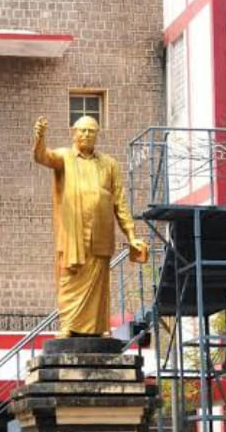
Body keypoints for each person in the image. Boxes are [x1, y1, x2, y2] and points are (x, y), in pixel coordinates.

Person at [33, 115, 148, 339]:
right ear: (73, 133)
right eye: (82, 130)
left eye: (91, 131)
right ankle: (68, 325)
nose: (86, 134)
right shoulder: (64, 157)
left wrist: (131, 235)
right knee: (69, 279)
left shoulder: (110, 164)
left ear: (97, 135)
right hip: (73, 236)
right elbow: (42, 157)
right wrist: (39, 137)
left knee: (99, 285)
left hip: (101, 235)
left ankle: (101, 328)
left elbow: (120, 202)